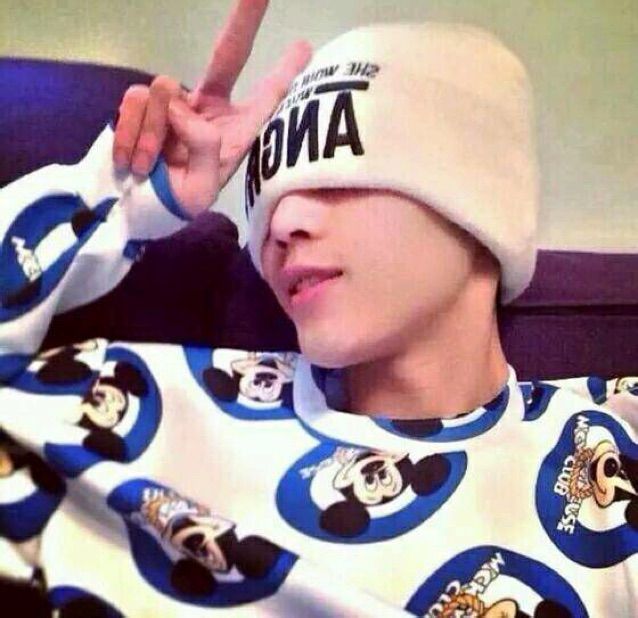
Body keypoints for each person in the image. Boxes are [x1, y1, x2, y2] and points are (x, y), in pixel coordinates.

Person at [0, 0, 636, 615]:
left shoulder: (607, 447)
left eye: (337, 177)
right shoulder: (139, 398)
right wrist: (116, 197)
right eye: (266, 197)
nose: (282, 226)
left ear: (480, 202)